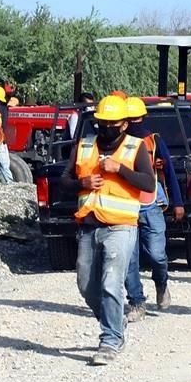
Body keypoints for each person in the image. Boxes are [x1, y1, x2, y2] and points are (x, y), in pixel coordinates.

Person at [62, 95, 156, 366]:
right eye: (102, 122)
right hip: (89, 226)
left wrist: (120, 169)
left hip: (121, 227)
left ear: (124, 124)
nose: (106, 128)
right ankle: (115, 323)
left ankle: (110, 340)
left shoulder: (135, 147)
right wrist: (83, 181)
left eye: (112, 123)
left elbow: (148, 184)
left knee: (110, 281)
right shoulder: (83, 145)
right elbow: (64, 181)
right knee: (86, 285)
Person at [123, 97, 185, 322]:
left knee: (158, 255)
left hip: (151, 205)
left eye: (137, 119)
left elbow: (169, 172)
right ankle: (136, 302)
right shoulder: (117, 143)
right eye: (130, 120)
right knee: (130, 260)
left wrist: (177, 202)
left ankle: (161, 283)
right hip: (125, 206)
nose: (134, 124)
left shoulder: (154, 141)